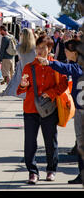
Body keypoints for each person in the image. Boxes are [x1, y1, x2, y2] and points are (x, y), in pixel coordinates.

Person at [17, 35, 68, 184]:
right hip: (31, 109)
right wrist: (23, 85)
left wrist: (51, 93)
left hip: (49, 109)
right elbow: (20, 90)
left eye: (43, 48)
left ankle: (51, 169)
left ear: (49, 49)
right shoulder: (29, 66)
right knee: (30, 143)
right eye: (37, 48)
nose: (39, 51)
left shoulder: (56, 66)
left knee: (50, 141)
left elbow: (64, 84)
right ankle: (32, 172)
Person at [37, 39, 84, 184]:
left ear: (75, 52)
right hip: (79, 111)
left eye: (66, 50)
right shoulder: (75, 64)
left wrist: (50, 63)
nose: (64, 52)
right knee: (81, 145)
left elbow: (68, 70)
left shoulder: (79, 66)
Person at [3, 28, 36, 98]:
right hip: (33, 70)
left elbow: (20, 58)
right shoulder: (35, 48)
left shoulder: (18, 47)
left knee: (23, 89)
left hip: (22, 69)